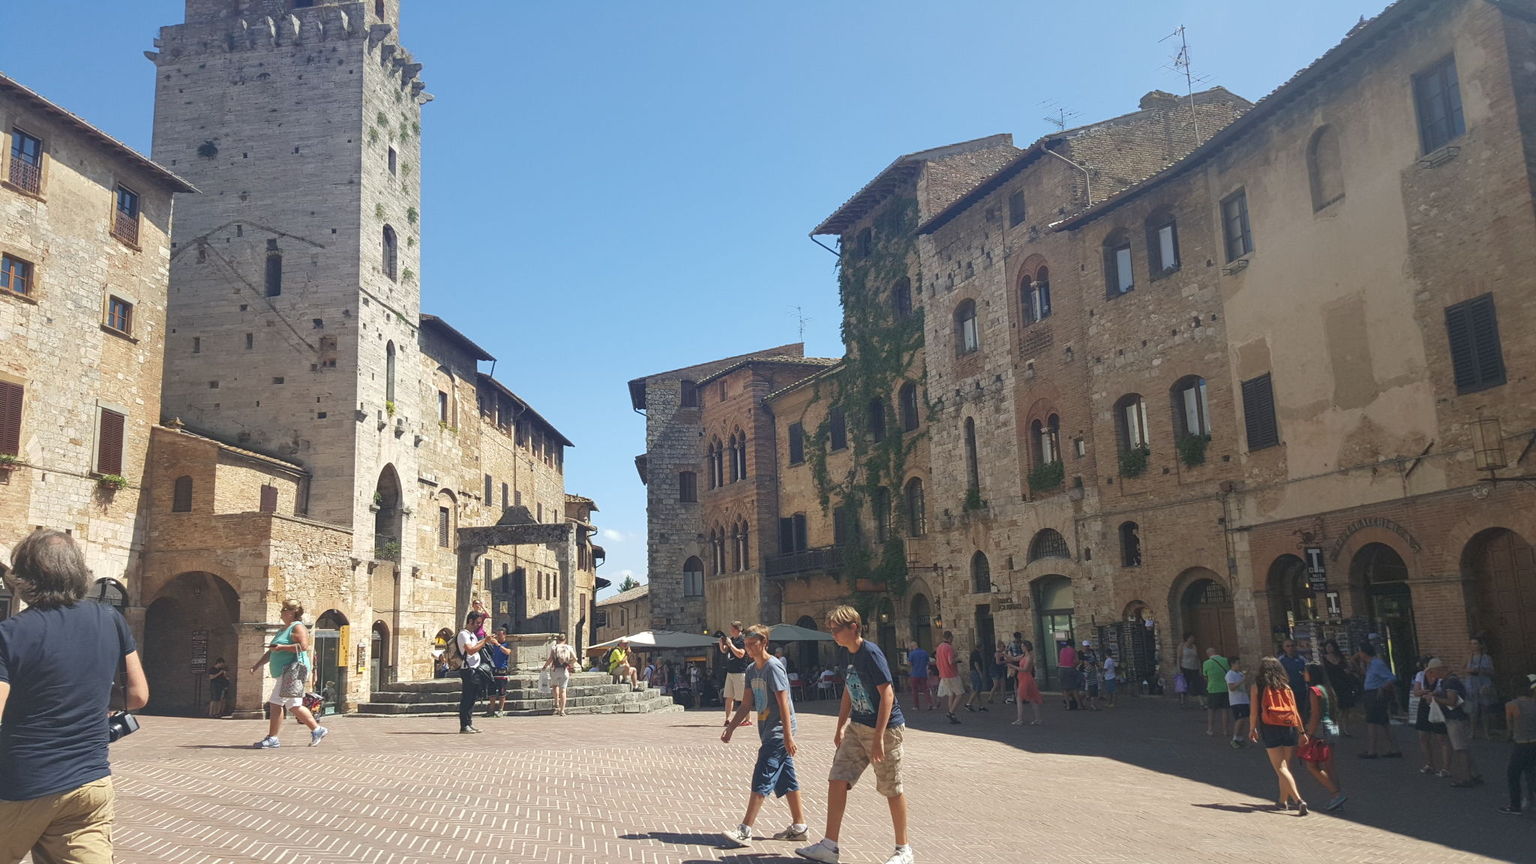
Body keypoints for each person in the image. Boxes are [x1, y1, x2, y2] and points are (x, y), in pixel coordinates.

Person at [0, 529, 150, 864]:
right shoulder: (111, 619)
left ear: (22, 578)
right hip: (89, 781)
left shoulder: (9, 634)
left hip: (22, 783)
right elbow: (138, 695)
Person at [796, 605, 911, 864]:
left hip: (886, 729)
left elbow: (888, 694)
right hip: (857, 727)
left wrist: (880, 736)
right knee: (837, 778)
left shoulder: (871, 653)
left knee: (891, 787)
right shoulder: (845, 654)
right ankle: (829, 846)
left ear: (853, 628)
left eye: (837, 629)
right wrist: (840, 725)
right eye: (831, 630)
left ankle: (903, 849)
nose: (833, 634)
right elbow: (849, 688)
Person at [721, 625, 807, 849]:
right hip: (766, 729)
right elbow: (746, 705)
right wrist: (731, 727)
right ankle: (799, 826)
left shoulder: (773, 667)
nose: (749, 648)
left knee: (763, 774)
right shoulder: (751, 670)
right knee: (786, 778)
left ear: (764, 643)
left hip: (779, 732)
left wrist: (788, 736)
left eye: (753, 644)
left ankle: (745, 829)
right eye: (747, 645)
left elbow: (784, 703)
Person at [251, 599, 328, 748]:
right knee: (294, 705)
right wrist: (257, 665)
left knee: (275, 703)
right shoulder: (282, 629)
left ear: (292, 613)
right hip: (285, 671)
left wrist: (281, 648)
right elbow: (271, 651)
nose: (281, 613)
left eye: (284, 610)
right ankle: (317, 730)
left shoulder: (297, 627)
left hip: (292, 670)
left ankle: (272, 738)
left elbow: (303, 646)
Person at [1249, 656, 1309, 815]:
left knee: (1280, 767)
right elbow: (1295, 711)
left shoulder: (1257, 687)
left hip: (1270, 728)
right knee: (1286, 767)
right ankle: (1282, 801)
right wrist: (1302, 732)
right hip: (1288, 727)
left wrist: (1252, 728)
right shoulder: (1286, 687)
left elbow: (1254, 712)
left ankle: (1298, 800)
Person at [1299, 661, 1348, 811]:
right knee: (1330, 765)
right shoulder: (1327, 689)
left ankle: (1336, 794)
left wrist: (1307, 734)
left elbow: (1315, 714)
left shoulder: (1314, 690)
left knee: (1312, 765)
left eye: (1305, 671)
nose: (1303, 674)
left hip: (1321, 730)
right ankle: (1337, 798)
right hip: (1332, 727)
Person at [1437, 666, 1481, 788]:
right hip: (1458, 718)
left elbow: (1452, 702)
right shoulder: (1450, 681)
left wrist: (1435, 699)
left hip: (1456, 718)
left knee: (1460, 749)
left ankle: (1466, 778)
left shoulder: (1450, 682)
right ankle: (1474, 774)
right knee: (1463, 747)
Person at [1357, 641, 1403, 758]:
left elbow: (1391, 678)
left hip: (1375, 694)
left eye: (1360, 652)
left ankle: (1372, 750)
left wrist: (1382, 688)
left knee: (1372, 722)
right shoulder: (1370, 664)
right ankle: (1394, 748)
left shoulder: (1377, 663)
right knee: (1384, 722)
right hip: (1371, 693)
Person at [1499, 673, 1536, 815]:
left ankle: (1515, 805)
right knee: (1531, 773)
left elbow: (1510, 728)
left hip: (1521, 743)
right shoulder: (1534, 703)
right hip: (1534, 742)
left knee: (1513, 774)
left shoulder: (1511, 705)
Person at [454, 610, 495, 734]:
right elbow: (470, 650)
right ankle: (464, 725)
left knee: (472, 697)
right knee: (467, 697)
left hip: (475, 669)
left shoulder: (472, 635)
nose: (479, 625)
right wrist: (484, 641)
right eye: (477, 622)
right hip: (467, 670)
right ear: (470, 621)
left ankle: (469, 723)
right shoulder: (463, 634)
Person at [1412, 658, 1449, 777]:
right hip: (1424, 705)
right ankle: (1429, 764)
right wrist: (1425, 692)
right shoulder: (1420, 675)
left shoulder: (1442, 679)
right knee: (1423, 736)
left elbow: (1443, 692)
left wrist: (1431, 694)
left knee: (1441, 737)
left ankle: (1445, 768)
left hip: (1436, 704)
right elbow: (1416, 692)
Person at [1320, 640, 1359, 737]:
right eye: (1327, 647)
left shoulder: (1341, 657)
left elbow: (1347, 668)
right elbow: (1323, 673)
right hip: (1332, 685)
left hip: (1344, 684)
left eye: (1331, 646)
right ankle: (1335, 727)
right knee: (1335, 707)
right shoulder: (1323, 659)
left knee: (1346, 708)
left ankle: (1345, 728)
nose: (1329, 648)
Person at [1464, 637, 1496, 740]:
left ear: (1480, 645)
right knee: (1472, 710)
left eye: (1475, 644)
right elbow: (1463, 669)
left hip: (1483, 684)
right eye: (1471, 644)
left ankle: (1487, 732)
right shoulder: (1468, 656)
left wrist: (1481, 670)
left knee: (1485, 708)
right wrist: (1469, 670)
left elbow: (1492, 672)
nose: (1473, 646)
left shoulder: (1486, 657)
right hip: (1471, 684)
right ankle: (1472, 732)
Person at [721, 621, 749, 726]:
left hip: (740, 672)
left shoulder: (742, 640)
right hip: (730, 672)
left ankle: (747, 719)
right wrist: (722, 644)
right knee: (729, 696)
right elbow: (725, 651)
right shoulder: (732, 640)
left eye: (732, 630)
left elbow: (741, 654)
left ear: (738, 630)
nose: (731, 632)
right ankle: (728, 719)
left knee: (742, 698)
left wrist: (731, 645)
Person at [1009, 640, 1043, 726]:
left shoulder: (1029, 657)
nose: (1021, 647)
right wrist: (1005, 655)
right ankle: (1037, 719)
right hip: (1023, 678)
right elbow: (1014, 658)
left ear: (1026, 647)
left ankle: (1020, 719)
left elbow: (1025, 669)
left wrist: (1013, 666)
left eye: (1023, 646)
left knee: (1020, 698)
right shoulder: (1024, 656)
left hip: (1026, 678)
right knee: (1032, 699)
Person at [935, 630, 963, 724]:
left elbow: (937, 661)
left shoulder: (939, 647)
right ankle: (951, 712)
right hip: (952, 674)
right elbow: (951, 661)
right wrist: (958, 659)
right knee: (960, 694)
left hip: (943, 674)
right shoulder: (949, 647)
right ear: (950, 637)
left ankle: (952, 713)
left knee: (951, 694)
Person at [1278, 638, 1308, 723]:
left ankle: (1302, 731)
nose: (1290, 648)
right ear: (1284, 648)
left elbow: (1307, 672)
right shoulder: (1281, 660)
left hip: (1301, 690)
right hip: (1287, 691)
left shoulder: (1302, 659)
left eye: (1292, 645)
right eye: (1287, 646)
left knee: (1302, 712)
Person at [1203, 647, 1231, 738]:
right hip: (1225, 688)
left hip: (1213, 689)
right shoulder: (1225, 660)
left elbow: (1205, 676)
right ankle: (1225, 730)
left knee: (1211, 710)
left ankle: (1210, 729)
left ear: (1208, 654)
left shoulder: (1206, 663)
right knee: (1225, 710)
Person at [484, 627, 512, 718]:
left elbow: (507, 652)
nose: (498, 637)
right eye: (497, 635)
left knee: (502, 692)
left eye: (500, 635)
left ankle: (500, 710)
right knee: (491, 692)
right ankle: (491, 710)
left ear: (504, 635)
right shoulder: (493, 645)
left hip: (502, 671)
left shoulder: (507, 644)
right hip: (493, 671)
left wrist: (498, 645)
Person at [1226, 656, 1250, 749]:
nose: (1240, 665)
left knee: (1243, 719)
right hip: (1236, 701)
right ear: (1232, 664)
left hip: (1244, 699)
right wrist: (1242, 680)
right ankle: (1234, 738)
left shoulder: (1240, 674)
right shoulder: (1230, 674)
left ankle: (1240, 738)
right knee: (1239, 719)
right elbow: (1231, 688)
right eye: (1238, 663)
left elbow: (1245, 686)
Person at [964, 644, 992, 712]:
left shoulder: (975, 653)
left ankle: (981, 706)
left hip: (973, 672)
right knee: (976, 689)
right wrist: (980, 673)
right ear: (980, 647)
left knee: (978, 690)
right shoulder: (975, 654)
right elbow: (976, 664)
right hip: (975, 673)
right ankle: (968, 704)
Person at [905, 640, 930, 711]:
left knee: (915, 690)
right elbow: (928, 662)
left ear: (913, 646)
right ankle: (929, 703)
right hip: (923, 673)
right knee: (925, 689)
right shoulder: (924, 652)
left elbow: (909, 664)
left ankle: (916, 706)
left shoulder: (912, 654)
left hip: (915, 674)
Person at [1178, 633, 1200, 708]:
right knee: (1184, 684)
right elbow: (1179, 658)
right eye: (1191, 638)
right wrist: (1179, 668)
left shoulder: (1194, 646)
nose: (1192, 639)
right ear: (1187, 638)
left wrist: (1199, 667)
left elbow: (1197, 657)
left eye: (1193, 638)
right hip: (1185, 667)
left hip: (1195, 667)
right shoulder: (1182, 646)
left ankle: (1201, 702)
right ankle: (1182, 700)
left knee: (1197, 684)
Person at [1058, 640, 1081, 710]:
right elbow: (1077, 661)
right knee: (1074, 688)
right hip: (1070, 669)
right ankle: (1079, 705)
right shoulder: (1074, 651)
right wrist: (1074, 666)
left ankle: (1068, 706)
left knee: (1064, 689)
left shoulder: (1062, 650)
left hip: (1061, 669)